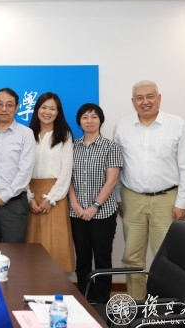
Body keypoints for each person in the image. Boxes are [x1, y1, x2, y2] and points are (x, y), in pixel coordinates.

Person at [113, 80, 185, 300]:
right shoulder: (122, 126)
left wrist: (182, 203)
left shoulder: (177, 124)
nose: (145, 102)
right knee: (132, 257)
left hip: (166, 200)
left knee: (166, 258)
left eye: (150, 96)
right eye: (139, 98)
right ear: (133, 101)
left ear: (159, 98)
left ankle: (164, 306)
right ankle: (137, 304)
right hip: (132, 199)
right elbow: (117, 165)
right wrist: (118, 197)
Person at [68, 103, 123, 303]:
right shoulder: (72, 147)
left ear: (100, 120)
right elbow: (67, 179)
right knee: (82, 259)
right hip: (77, 213)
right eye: (85, 117)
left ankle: (101, 302)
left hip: (103, 213)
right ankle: (84, 299)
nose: (89, 121)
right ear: (79, 122)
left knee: (102, 259)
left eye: (93, 117)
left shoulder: (111, 147)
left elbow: (111, 181)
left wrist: (94, 207)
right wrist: (75, 205)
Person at [0, 87, 36, 243]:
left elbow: (25, 170)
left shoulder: (26, 133)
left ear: (17, 108)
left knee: (14, 253)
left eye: (9, 105)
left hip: (15, 203)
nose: (4, 109)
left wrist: (5, 195)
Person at [26, 92, 75, 272]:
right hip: (31, 194)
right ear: (37, 110)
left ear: (58, 112)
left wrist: (51, 198)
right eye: (44, 107)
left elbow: (66, 170)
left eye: (52, 108)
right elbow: (22, 169)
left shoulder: (64, 135)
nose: (47, 112)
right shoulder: (27, 134)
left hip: (55, 195)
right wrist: (29, 197)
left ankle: (55, 286)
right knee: (32, 244)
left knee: (55, 245)